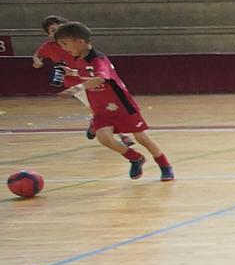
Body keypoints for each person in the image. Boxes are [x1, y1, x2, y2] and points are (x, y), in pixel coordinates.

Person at [50, 22, 173, 181]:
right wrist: (70, 72)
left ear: (80, 42)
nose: (63, 48)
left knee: (141, 138)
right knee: (104, 138)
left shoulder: (98, 59)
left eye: (65, 44)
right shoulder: (79, 58)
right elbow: (85, 73)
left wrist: (76, 88)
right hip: (101, 108)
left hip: (122, 105)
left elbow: (99, 77)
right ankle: (135, 158)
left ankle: (164, 165)